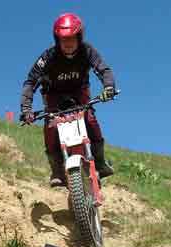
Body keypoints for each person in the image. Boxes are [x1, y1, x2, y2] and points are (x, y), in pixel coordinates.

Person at [20, 13, 117, 187]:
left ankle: (100, 162)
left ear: (79, 37)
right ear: (57, 40)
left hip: (80, 92)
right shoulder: (48, 57)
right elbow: (30, 82)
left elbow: (104, 70)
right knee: (51, 125)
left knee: (90, 118)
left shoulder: (88, 51)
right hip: (53, 95)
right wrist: (26, 109)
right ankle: (57, 170)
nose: (68, 44)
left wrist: (108, 87)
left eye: (72, 39)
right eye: (63, 40)